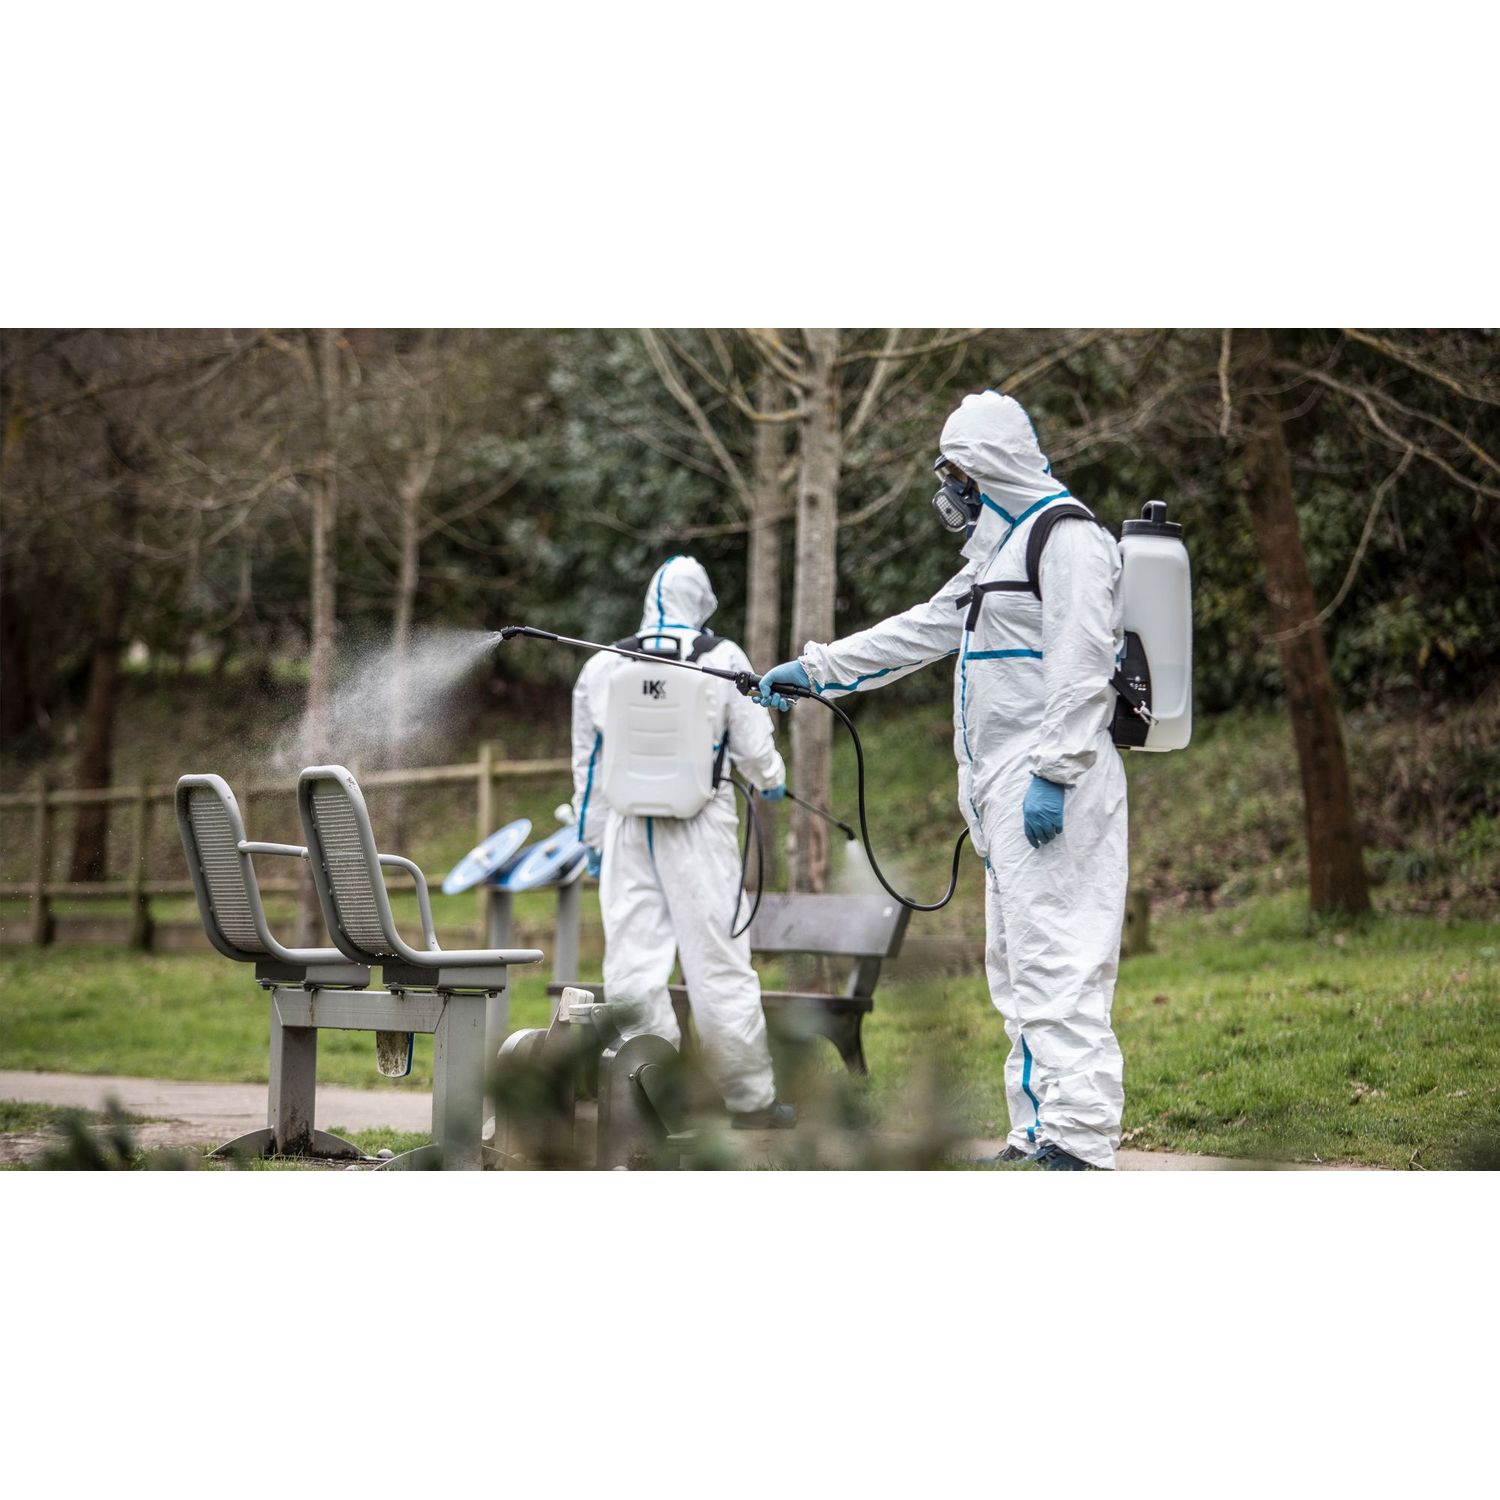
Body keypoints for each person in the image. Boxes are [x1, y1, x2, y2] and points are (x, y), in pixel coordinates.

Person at [757, 392, 1127, 1169]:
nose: (951, 490)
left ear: (986, 468)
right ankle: (1036, 1129)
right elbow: (920, 631)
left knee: (1058, 960)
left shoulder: (1067, 539)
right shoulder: (999, 555)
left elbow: (1083, 665)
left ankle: (1081, 1141)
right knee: (1018, 967)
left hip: (1052, 781)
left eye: (957, 472)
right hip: (1005, 788)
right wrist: (816, 670)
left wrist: (1055, 772)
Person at [572, 555, 795, 1128]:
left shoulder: (602, 665)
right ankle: (749, 1101)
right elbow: (753, 747)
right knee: (719, 964)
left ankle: (652, 1096)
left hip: (626, 830)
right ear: (702, 603)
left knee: (632, 967)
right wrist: (772, 778)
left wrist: (591, 839)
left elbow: (588, 766)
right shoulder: (723, 659)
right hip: (701, 828)